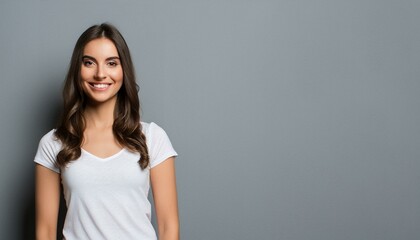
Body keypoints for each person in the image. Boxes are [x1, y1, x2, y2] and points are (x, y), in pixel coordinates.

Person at [34, 23, 179, 240]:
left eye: (111, 63)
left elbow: (169, 227)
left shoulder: (152, 138)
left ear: (123, 70)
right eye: (89, 63)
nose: (101, 74)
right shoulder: (53, 143)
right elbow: (44, 231)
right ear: (78, 69)